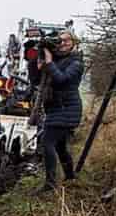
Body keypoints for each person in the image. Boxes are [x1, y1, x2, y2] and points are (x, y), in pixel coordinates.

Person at [35, 31, 83, 192]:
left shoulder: (76, 62)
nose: (61, 44)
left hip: (67, 109)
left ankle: (50, 184)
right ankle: (70, 177)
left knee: (47, 142)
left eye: (65, 41)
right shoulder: (59, 59)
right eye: (59, 41)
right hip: (57, 109)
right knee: (60, 146)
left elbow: (61, 80)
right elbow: (36, 79)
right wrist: (40, 58)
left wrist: (49, 62)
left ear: (74, 43)